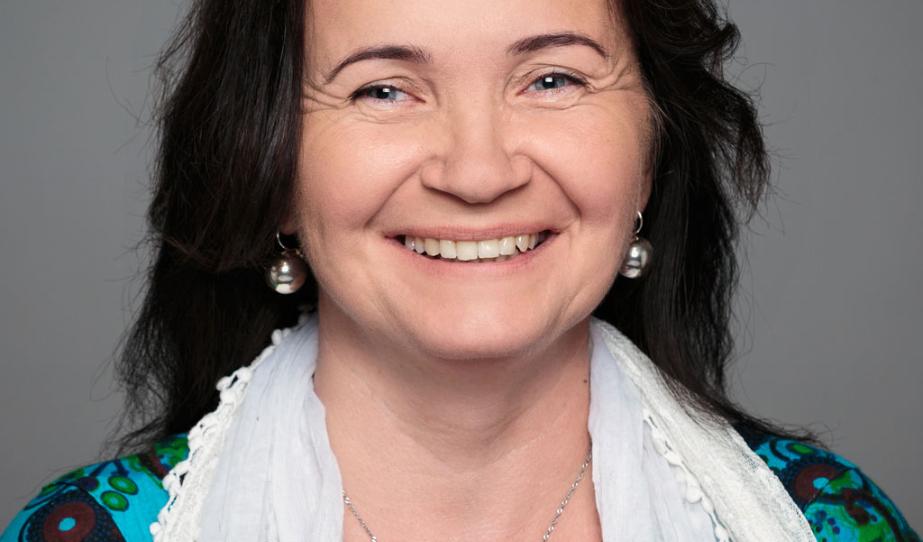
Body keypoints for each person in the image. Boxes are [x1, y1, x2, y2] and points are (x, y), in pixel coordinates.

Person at [2, 0, 918, 540]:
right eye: (383, 89)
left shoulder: (826, 525)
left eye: (552, 79)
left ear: (650, 154)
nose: (477, 173)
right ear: (269, 167)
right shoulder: (88, 535)